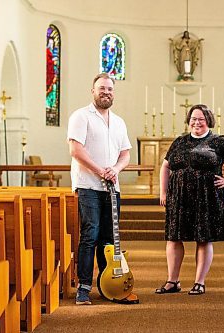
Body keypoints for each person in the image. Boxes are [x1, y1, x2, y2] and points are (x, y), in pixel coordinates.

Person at [155, 104, 224, 295]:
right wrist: (163, 192)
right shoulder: (179, 141)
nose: (197, 122)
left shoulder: (218, 141)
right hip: (179, 197)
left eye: (201, 119)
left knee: (203, 239)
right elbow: (165, 166)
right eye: (194, 119)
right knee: (173, 238)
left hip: (207, 197)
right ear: (189, 121)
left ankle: (199, 282)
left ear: (209, 121)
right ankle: (173, 281)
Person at [67, 73, 133, 305]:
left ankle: (108, 287)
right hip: (88, 186)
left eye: (110, 89)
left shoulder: (118, 121)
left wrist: (115, 169)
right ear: (93, 91)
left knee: (109, 239)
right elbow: (76, 151)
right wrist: (100, 171)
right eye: (102, 88)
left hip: (112, 187)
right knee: (90, 235)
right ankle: (83, 288)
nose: (106, 92)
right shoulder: (81, 116)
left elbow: (125, 154)